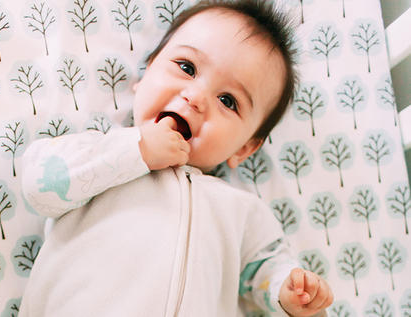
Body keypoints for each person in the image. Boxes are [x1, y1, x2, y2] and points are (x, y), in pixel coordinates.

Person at [19, 0, 333, 316]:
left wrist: (288, 292)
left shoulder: (239, 210)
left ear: (244, 148)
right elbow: (39, 184)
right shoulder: (100, 156)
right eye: (187, 68)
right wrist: (136, 149)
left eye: (227, 100)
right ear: (145, 73)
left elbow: (263, 271)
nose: (195, 98)